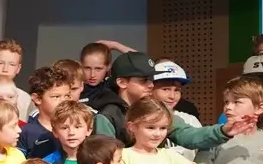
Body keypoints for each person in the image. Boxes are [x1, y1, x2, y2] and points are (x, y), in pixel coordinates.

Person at [89, 51, 243, 151]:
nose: (151, 85)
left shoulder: (156, 108)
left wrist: (223, 131)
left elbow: (188, 135)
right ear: (122, 83)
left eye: (151, 79)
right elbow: (106, 160)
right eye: (143, 80)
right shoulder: (107, 116)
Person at [18, 66, 72, 159]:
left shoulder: (77, 129)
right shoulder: (25, 133)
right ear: (37, 99)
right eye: (56, 96)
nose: (63, 101)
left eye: (67, 96)